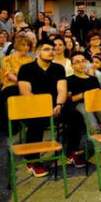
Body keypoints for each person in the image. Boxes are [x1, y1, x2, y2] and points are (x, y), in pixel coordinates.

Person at [17, 39, 68, 177]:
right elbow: (26, 92)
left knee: (76, 116)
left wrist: (59, 105)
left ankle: (71, 151)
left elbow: (62, 89)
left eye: (52, 49)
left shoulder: (58, 68)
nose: (51, 52)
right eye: (46, 49)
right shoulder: (26, 69)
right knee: (36, 121)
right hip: (34, 105)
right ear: (37, 52)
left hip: (55, 106)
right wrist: (43, 108)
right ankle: (32, 160)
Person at [67, 51, 101, 171]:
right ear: (72, 65)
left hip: (96, 103)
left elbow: (99, 94)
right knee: (93, 126)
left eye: (83, 61)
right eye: (77, 62)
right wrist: (86, 94)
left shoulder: (93, 79)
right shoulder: (69, 80)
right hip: (81, 104)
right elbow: (70, 98)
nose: (81, 64)